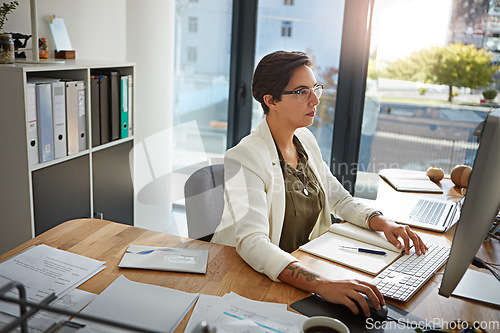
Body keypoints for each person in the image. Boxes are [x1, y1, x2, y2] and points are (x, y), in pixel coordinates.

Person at [211, 50, 428, 317]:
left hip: (304, 268)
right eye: (302, 92)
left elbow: (338, 199)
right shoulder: (245, 157)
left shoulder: (305, 140)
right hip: (251, 279)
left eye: (315, 89)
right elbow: (253, 243)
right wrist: (322, 285)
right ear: (271, 100)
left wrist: (382, 223)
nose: (315, 99)